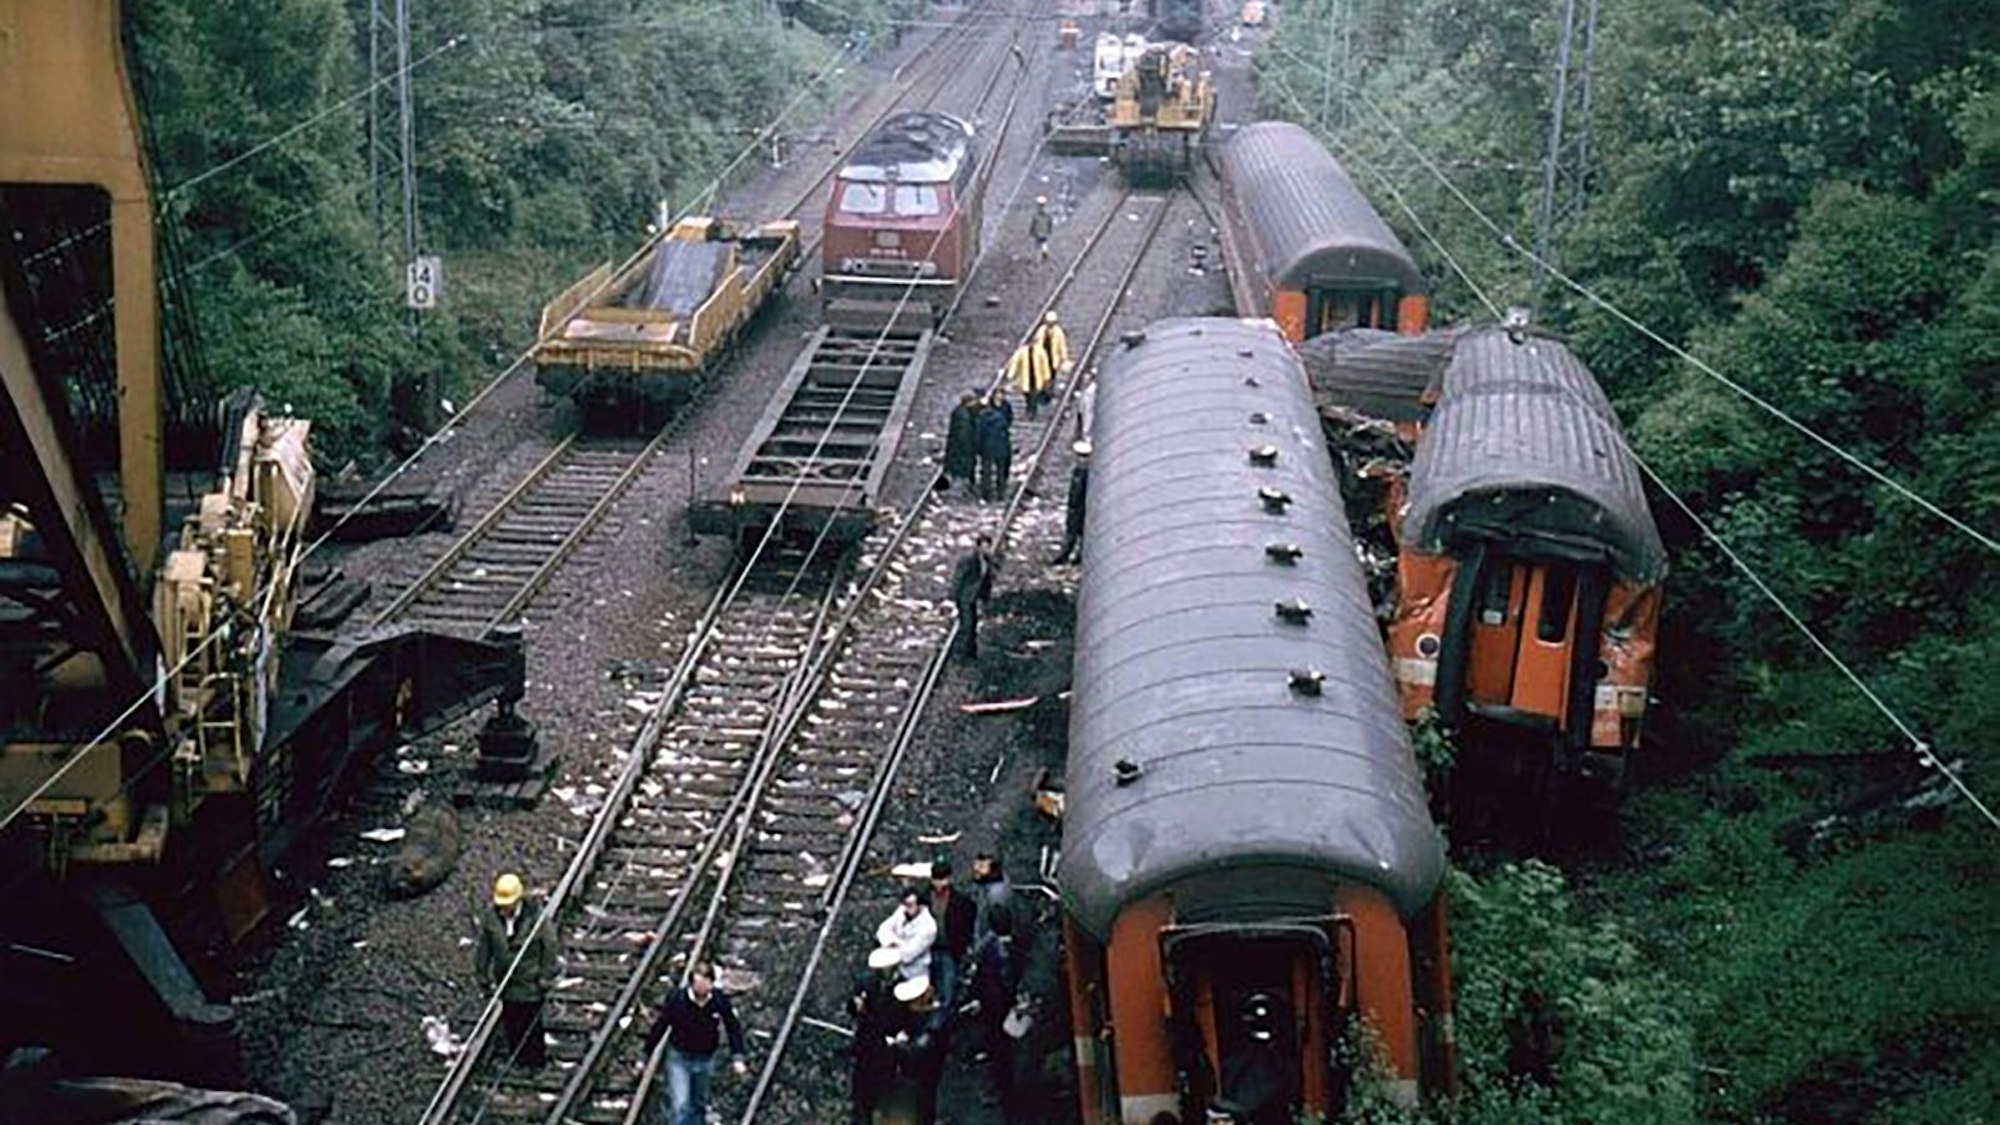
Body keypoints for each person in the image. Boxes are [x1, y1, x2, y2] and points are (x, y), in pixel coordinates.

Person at [642, 962, 749, 1125]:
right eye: (698, 985)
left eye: (706, 985)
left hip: (705, 1058)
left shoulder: (719, 1001)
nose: (702, 990)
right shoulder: (677, 1000)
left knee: (699, 1103)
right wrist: (646, 1054)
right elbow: (661, 1025)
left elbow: (733, 1027)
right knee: (681, 1105)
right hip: (679, 1058)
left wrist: (738, 1056)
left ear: (711, 983)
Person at [474, 872, 556, 1070]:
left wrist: (545, 975)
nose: (504, 908)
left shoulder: (535, 918)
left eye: (508, 903)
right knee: (512, 1022)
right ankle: (518, 1060)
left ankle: (536, 1062)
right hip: (507, 984)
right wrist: (483, 976)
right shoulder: (492, 920)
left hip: (530, 982)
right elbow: (484, 950)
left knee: (531, 1024)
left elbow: (550, 946)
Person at [968, 904, 1021, 1104]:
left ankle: (1003, 1090)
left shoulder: (990, 948)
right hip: (1004, 1002)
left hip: (993, 1003)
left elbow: (983, 975)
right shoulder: (1014, 945)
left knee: (998, 1048)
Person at [925, 860, 977, 1029]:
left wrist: (963, 946)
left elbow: (969, 923)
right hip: (928, 949)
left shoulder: (961, 902)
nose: (939, 883)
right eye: (936, 879)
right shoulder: (923, 899)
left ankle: (939, 1027)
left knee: (947, 991)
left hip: (949, 951)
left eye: (943, 879)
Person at [874, 888, 938, 980]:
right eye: (905, 904)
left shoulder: (929, 926)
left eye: (910, 905)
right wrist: (892, 942)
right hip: (895, 969)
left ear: (919, 905)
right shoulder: (901, 911)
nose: (906, 908)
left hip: (915, 973)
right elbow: (883, 929)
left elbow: (909, 953)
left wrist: (894, 942)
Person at [950, 534, 995, 662]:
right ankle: (961, 654)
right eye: (984, 547)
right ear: (979, 546)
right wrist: (954, 595)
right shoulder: (968, 559)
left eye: (988, 547)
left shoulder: (986, 560)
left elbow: (986, 581)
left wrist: (985, 599)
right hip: (965, 597)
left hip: (975, 598)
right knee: (967, 624)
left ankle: (970, 653)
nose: (987, 549)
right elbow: (958, 578)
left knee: (973, 624)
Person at [1052, 440, 1091, 565]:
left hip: (1078, 508)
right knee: (1078, 532)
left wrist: (1073, 505)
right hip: (1080, 507)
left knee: (1073, 531)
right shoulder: (1085, 471)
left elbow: (1077, 492)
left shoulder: (1081, 473)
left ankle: (1068, 555)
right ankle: (1074, 555)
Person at [968, 852, 1013, 954]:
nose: (976, 869)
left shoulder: (996, 893)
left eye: (982, 866)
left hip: (992, 949)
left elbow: (998, 927)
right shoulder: (981, 887)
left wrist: (978, 948)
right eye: (976, 864)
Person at [976, 389, 1013, 501]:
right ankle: (1000, 493)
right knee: (1000, 471)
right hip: (1001, 448)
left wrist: (978, 448)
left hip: (987, 447)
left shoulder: (983, 418)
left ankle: (986, 494)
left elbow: (979, 434)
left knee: (986, 471)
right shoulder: (1001, 421)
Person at [943, 390, 980, 495]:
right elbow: (964, 435)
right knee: (960, 469)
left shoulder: (960, 413)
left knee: (958, 467)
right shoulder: (964, 418)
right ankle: (958, 490)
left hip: (957, 448)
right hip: (962, 449)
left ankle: (961, 487)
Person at [1029, 196, 1053, 261]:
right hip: (1045, 230)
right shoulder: (1048, 213)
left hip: (1038, 231)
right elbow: (1050, 222)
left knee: (1037, 244)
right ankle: (1044, 251)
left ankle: (1037, 258)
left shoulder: (1036, 214)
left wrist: (1031, 231)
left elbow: (1033, 223)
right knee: (1044, 241)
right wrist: (1049, 230)